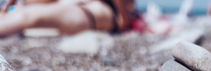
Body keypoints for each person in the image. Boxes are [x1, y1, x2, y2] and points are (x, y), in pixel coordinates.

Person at [0, 0, 138, 37]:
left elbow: (123, 22)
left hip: (92, 12)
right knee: (29, 14)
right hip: (86, 12)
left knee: (29, 15)